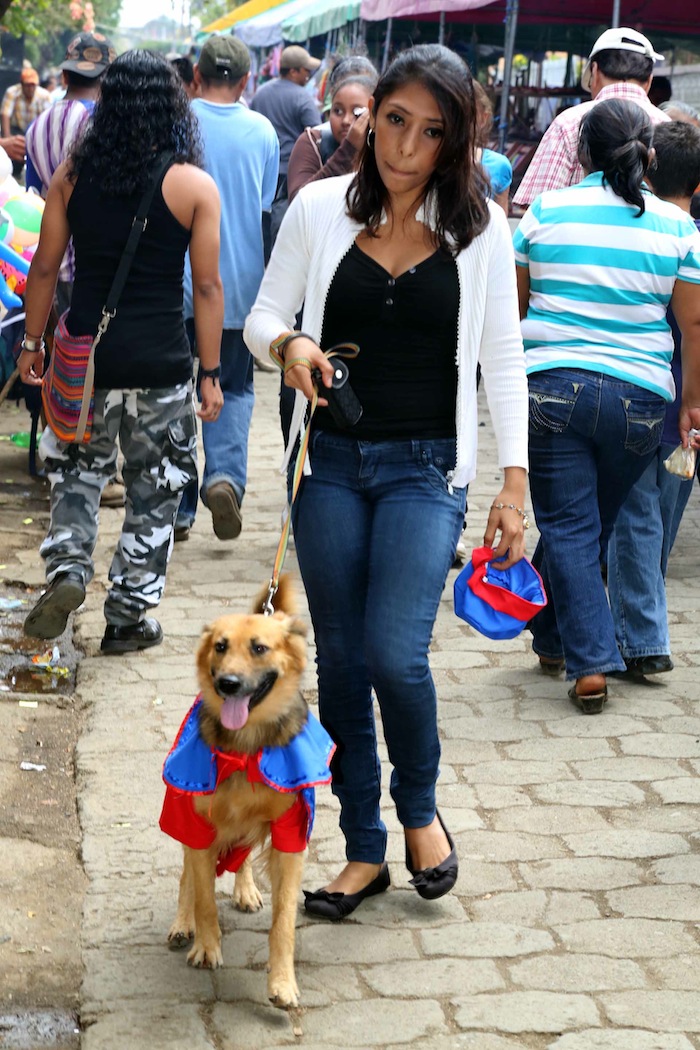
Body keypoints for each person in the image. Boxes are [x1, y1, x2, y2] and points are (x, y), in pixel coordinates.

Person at [245, 44, 528, 918]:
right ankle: (362, 850)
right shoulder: (319, 207)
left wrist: (513, 486)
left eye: (429, 130)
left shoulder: (480, 228)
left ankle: (419, 814)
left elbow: (502, 358)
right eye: (393, 120)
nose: (404, 145)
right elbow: (263, 315)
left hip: (426, 469)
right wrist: (289, 345)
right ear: (367, 118)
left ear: (456, 140)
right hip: (326, 464)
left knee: (397, 655)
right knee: (342, 660)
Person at [18, 50, 224, 653]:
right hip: (160, 362)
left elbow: (47, 267)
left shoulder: (73, 176)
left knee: (77, 476)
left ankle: (67, 574)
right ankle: (128, 616)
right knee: (156, 486)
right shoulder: (191, 185)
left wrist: (33, 344)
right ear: (172, 105)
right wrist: (210, 372)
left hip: (86, 360)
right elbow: (208, 287)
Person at [513, 99, 700, 714]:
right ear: (647, 153)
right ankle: (552, 635)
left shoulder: (544, 211)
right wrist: (691, 403)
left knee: (570, 525)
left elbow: (517, 307)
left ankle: (590, 662)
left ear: (580, 153)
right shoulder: (677, 228)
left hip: (553, 390)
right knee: (589, 523)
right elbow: (693, 326)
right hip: (642, 401)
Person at [175, 36, 279, 544]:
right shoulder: (261, 130)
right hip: (237, 284)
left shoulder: (176, 121)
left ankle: (176, 503)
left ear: (195, 75)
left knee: (175, 388)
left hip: (175, 281)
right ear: (244, 82)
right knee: (231, 387)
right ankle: (224, 479)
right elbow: (262, 208)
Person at [606, 120, 700, 678]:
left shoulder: (638, 231)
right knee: (656, 519)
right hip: (684, 408)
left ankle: (636, 635)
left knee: (634, 518)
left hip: (643, 394)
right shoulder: (690, 236)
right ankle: (641, 628)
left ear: (645, 165)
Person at [513, 27, 669, 208]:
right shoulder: (671, 128)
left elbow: (536, 207)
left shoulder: (568, 123)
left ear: (594, 71)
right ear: (649, 80)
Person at [26, 32, 116, 313]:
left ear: (65, 76)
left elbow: (35, 199)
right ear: (108, 79)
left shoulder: (36, 127)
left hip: (52, 263)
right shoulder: (103, 125)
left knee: (65, 349)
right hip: (94, 266)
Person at [250, 44, 321, 241]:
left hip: (263, 168)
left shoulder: (261, 92)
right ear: (293, 71)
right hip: (289, 171)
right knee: (283, 221)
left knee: (261, 215)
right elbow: (317, 134)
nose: (308, 75)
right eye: (306, 70)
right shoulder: (303, 98)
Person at [287, 67, 377, 203]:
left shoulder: (383, 151)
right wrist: (349, 150)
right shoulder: (313, 142)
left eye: (357, 112)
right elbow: (298, 203)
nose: (346, 121)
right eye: (338, 111)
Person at [1, 66, 51, 177]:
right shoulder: (12, 92)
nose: (30, 88)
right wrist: (7, 138)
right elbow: (5, 114)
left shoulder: (44, 96)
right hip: (17, 129)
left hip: (35, 130)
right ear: (22, 84)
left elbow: (48, 120)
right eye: (27, 85)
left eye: (33, 85)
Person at [473, 80, 512, 215]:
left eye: (470, 113)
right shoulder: (433, 162)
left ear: (483, 119)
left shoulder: (499, 166)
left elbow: (501, 228)